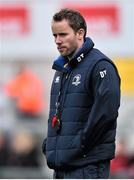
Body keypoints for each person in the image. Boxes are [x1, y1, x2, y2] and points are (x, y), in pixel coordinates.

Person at [42, 8, 121, 179]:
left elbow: (105, 115)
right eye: (54, 36)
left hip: (87, 167)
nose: (57, 40)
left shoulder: (101, 66)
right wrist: (51, 145)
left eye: (63, 34)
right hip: (62, 167)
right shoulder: (62, 69)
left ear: (80, 33)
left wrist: (77, 145)